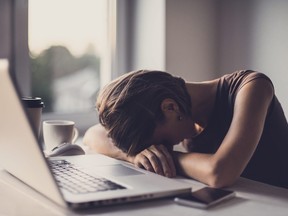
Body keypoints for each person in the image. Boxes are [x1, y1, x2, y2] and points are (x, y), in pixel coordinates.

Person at [83, 69, 288, 189]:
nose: (163, 148)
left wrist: (167, 158)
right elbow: (93, 135)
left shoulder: (252, 88)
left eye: (161, 142)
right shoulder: (175, 108)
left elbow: (220, 172)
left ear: (170, 108)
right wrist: (136, 155)